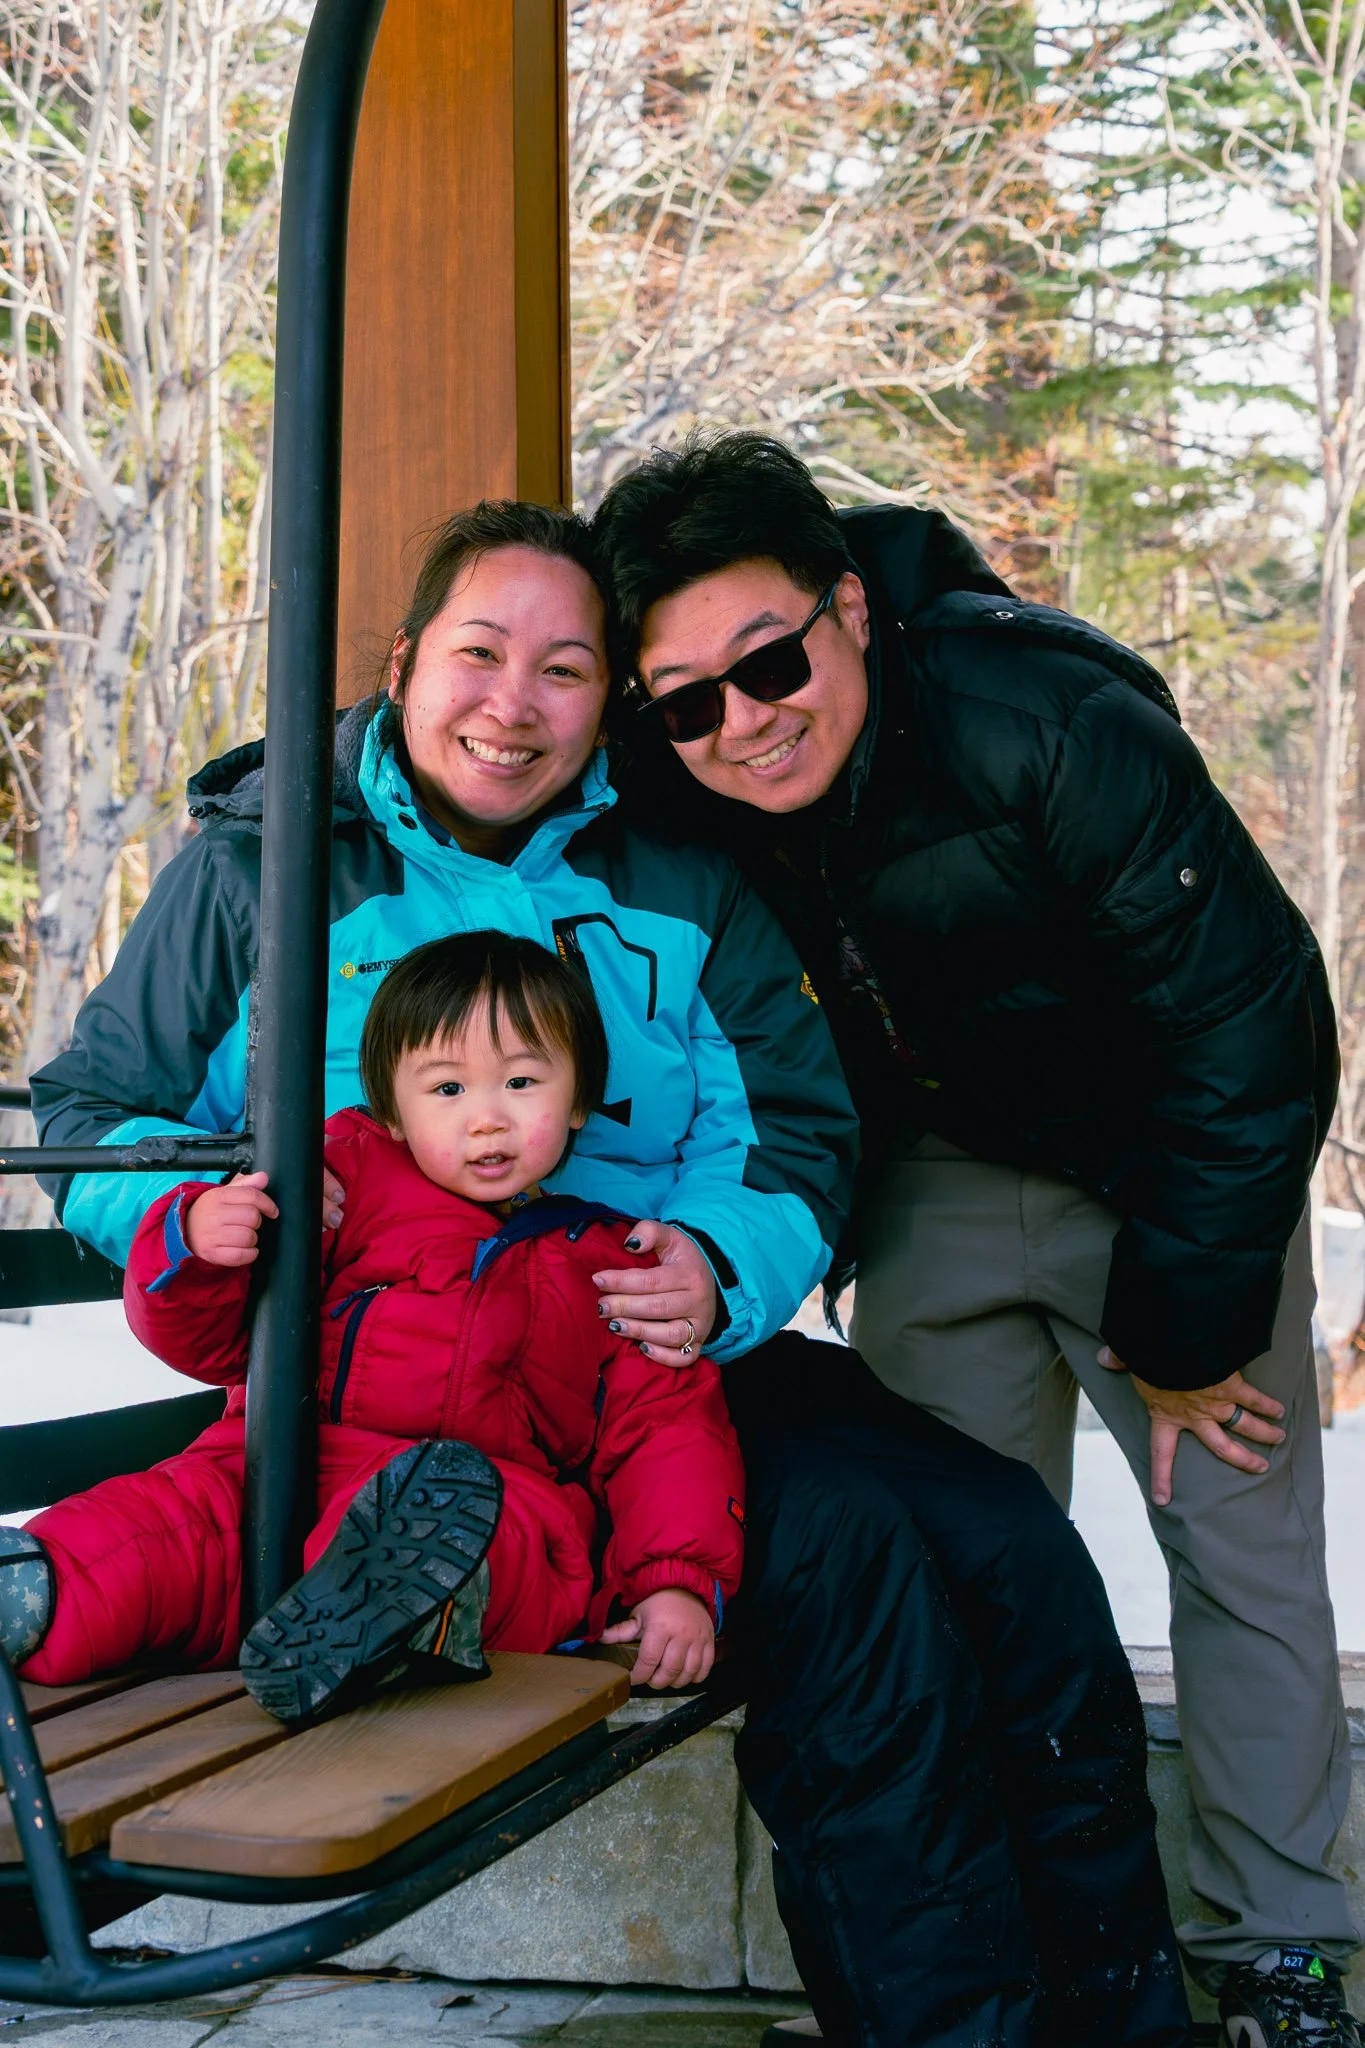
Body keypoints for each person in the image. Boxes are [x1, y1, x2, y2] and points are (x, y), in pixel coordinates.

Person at [28, 501, 1188, 2045]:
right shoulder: (269, 869)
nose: (514, 706)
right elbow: (98, 1123)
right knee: (853, 1574)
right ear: (404, 660)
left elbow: (794, 1127)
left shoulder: (678, 869)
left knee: (1009, 1540)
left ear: (606, 704)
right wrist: (224, 1212)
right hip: (428, 1392)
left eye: (565, 671)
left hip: (653, 1340)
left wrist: (718, 1267)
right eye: (480, 655)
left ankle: (1121, 2017)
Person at [594, 430, 1361, 2048]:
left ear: (850, 609)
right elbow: (474, 735)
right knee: (939, 1568)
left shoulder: (1050, 721)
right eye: (688, 701)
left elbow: (1254, 1026)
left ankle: (1282, 1954)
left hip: (1166, 1165)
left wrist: (1182, 1330)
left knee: (1238, 1543)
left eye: (772, 661)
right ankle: (997, 1967)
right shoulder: (678, 767)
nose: (744, 721)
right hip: (936, 1177)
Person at [3, 931, 745, 1719]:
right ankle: (34, 1589)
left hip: (483, 1504)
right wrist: (200, 1238)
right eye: (448, 1090)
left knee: (511, 1546)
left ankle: (394, 1619)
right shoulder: (333, 1184)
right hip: (276, 1478)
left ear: (580, 1101)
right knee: (157, 1535)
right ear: (392, 1108)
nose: (488, 1119)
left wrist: (675, 1585)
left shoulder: (615, 1265)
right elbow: (207, 1344)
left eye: (522, 1081)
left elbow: (666, 1436)